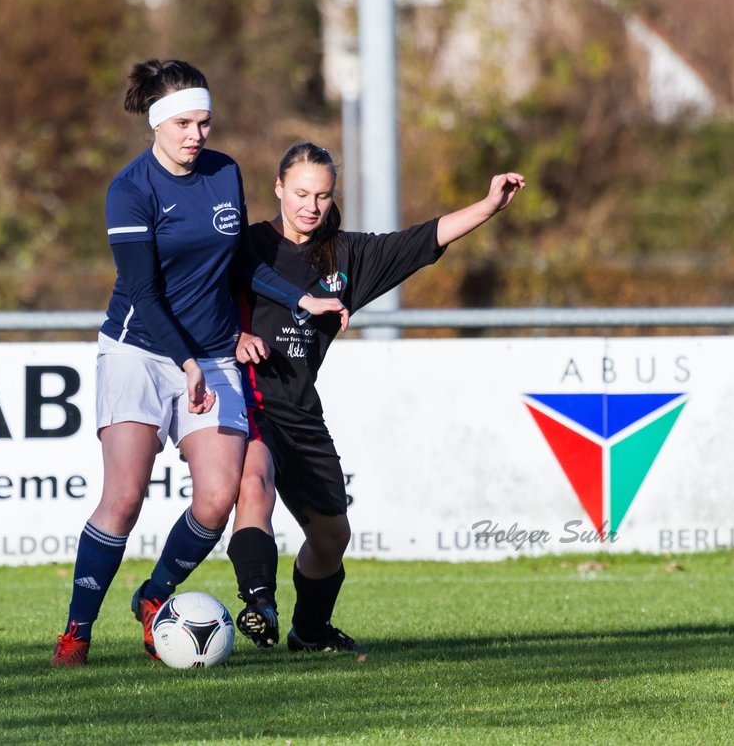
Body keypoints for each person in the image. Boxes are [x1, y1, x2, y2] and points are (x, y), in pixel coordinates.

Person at [50, 62, 348, 667]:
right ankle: (76, 632)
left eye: (204, 122)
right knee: (125, 497)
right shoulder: (130, 189)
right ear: (157, 122)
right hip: (139, 351)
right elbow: (143, 292)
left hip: (212, 355)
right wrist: (184, 362)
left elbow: (240, 262)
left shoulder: (223, 173)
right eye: (184, 123)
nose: (197, 135)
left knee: (216, 497)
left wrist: (302, 297)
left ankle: (154, 599)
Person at [227, 141, 524, 652]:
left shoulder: (346, 255)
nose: (310, 206)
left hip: (300, 409)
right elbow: (196, 300)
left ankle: (310, 630)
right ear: (278, 188)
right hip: (248, 399)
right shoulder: (245, 246)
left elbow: (423, 239)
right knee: (255, 484)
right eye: (300, 193)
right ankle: (259, 603)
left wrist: (488, 205)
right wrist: (232, 337)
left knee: (332, 536)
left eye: (321, 195)